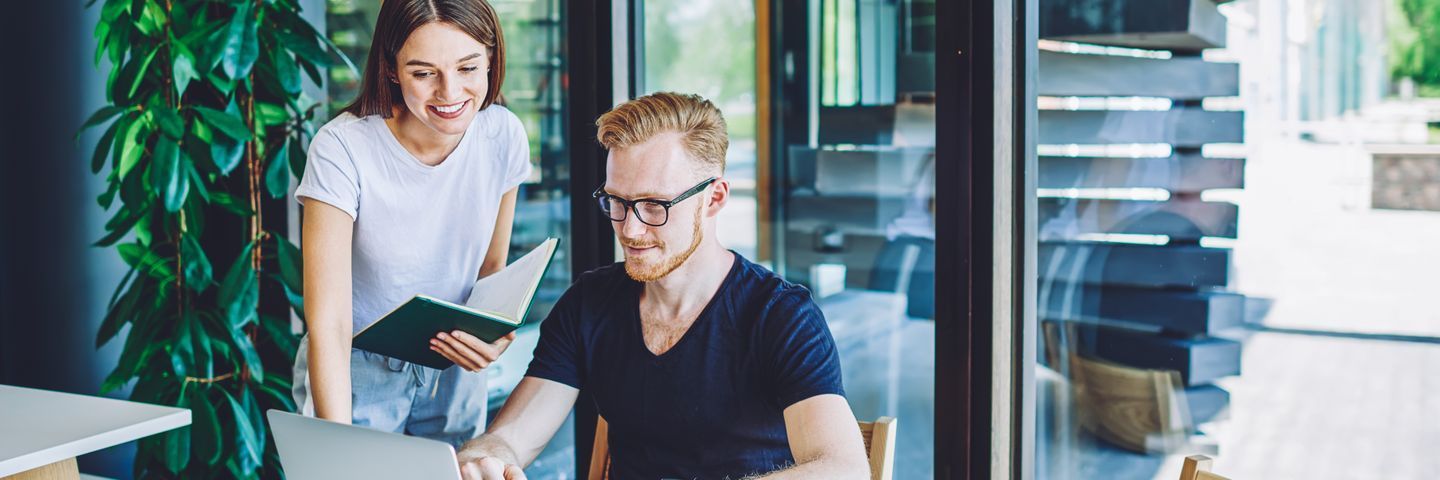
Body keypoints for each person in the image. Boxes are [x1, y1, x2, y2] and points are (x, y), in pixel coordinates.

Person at [446, 92, 869, 479]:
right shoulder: (589, 304)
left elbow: (842, 468)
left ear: (715, 198)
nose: (629, 228)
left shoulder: (780, 316)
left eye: (654, 205)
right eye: (616, 201)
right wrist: (485, 457)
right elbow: (513, 437)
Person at [291, 0, 530, 447]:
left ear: (491, 59)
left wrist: (494, 336)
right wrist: (339, 445)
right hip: (355, 370)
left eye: (468, 68)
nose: (450, 93)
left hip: (452, 367)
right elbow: (329, 322)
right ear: (390, 69)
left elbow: (490, 268)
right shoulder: (342, 148)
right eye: (424, 73)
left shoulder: (503, 134)